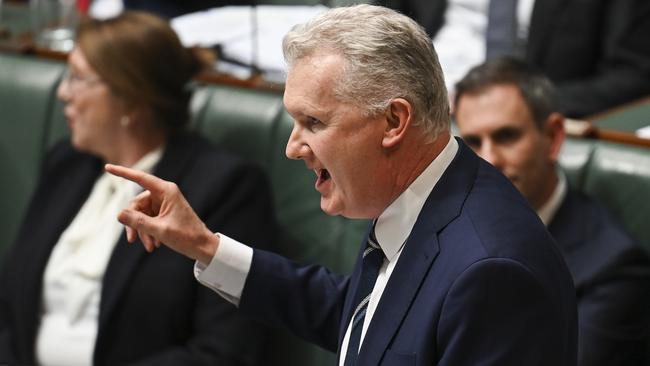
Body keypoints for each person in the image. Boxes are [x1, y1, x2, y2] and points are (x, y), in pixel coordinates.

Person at [106, 5, 577, 365]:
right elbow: (366, 322)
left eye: (313, 122)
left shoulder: (492, 274)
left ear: (393, 121)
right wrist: (206, 247)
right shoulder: (422, 195)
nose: (293, 147)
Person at [0, 11, 275, 366]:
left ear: (130, 97)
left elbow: (225, 350)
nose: (63, 93)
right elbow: (8, 303)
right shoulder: (66, 164)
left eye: (78, 78)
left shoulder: (226, 187)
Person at [453, 56, 650, 366]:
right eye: (473, 142)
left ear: (554, 137)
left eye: (506, 136)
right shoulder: (442, 230)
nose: (488, 160)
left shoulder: (611, 269)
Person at [381, 0, 650, 118]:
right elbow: (385, 31)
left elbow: (633, 74)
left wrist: (527, 104)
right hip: (415, 102)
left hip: (524, 116)